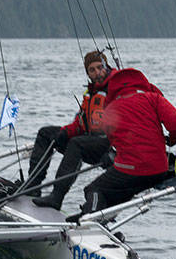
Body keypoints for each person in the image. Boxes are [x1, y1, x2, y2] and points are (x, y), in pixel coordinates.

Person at [79, 66, 176, 215]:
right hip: (159, 169)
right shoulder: (153, 98)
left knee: (93, 189)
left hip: (131, 171)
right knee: (114, 196)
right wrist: (172, 141)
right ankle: (96, 218)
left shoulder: (110, 110)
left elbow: (112, 140)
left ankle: (89, 219)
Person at [26, 50, 113, 209]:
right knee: (46, 133)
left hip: (108, 147)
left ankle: (56, 197)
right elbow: (80, 124)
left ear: (106, 66)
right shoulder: (91, 92)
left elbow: (129, 126)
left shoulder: (116, 90)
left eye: (100, 67)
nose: (97, 73)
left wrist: (116, 150)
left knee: (76, 143)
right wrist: (64, 132)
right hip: (90, 141)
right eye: (91, 70)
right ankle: (33, 187)